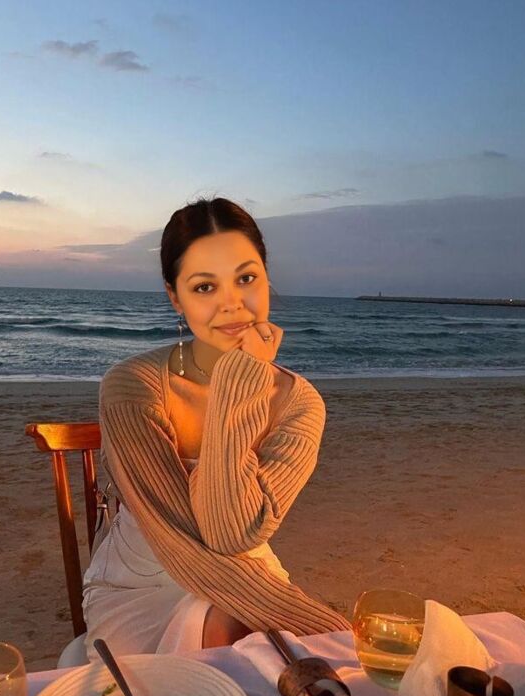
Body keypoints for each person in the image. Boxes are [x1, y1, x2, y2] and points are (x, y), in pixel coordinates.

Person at [82, 197, 349, 659]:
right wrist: (239, 381)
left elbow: (233, 532)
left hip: (244, 567)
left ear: (266, 278)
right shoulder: (132, 386)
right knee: (253, 644)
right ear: (175, 297)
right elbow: (183, 533)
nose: (232, 303)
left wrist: (237, 384)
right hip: (143, 575)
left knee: (260, 652)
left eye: (246, 278)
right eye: (205, 286)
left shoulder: (299, 402)